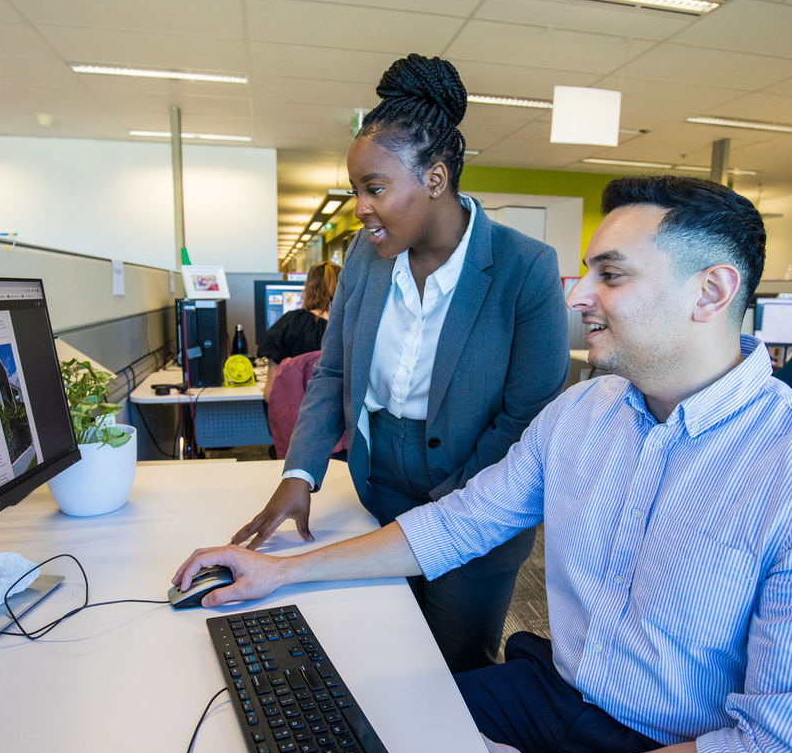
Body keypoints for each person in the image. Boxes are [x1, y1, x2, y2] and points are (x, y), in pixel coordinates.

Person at [176, 176, 792, 753]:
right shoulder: (583, 413)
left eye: (611, 275)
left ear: (711, 292)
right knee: (341, 733)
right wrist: (280, 570)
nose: (580, 294)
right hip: (558, 694)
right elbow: (460, 523)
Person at [230, 52, 570, 674]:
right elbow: (333, 373)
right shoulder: (367, 257)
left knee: (455, 670)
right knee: (383, 649)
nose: (360, 207)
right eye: (356, 190)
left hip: (478, 492)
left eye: (375, 189)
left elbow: (527, 417)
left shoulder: (525, 268)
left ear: (435, 179)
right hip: (378, 480)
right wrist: (299, 474)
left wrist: (443, 514)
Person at [258, 260, 340, 401]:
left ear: (308, 288)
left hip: (297, 412)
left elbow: (270, 395)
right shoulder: (352, 326)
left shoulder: (289, 324)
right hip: (338, 412)